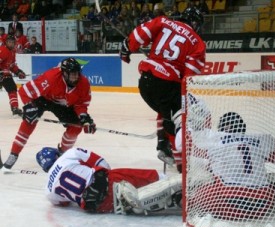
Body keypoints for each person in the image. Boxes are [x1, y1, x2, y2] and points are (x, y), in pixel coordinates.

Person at [119, 7, 206, 173]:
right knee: (177, 119)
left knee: (166, 111)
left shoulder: (164, 21)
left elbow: (139, 34)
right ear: (196, 23)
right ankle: (181, 165)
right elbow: (189, 79)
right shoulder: (198, 43)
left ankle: (162, 142)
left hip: (145, 82)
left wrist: (127, 48)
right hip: (166, 84)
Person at [1, 57, 96, 171]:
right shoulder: (51, 78)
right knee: (29, 121)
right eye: (72, 74)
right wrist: (28, 107)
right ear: (64, 73)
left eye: (77, 73)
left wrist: (84, 118)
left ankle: (62, 154)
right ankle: (13, 154)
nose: (75, 77)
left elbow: (81, 104)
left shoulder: (83, 83)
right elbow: (25, 91)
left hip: (62, 104)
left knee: (76, 127)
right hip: (43, 99)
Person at [35, 147, 182, 214]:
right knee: (148, 177)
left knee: (127, 202)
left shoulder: (48, 192)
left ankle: (130, 200)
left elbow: (65, 202)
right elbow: (101, 162)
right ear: (56, 155)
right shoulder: (69, 154)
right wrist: (112, 176)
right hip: (106, 181)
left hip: (97, 205)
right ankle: (173, 183)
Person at [0, 35, 26, 116]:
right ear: (6, 43)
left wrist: (18, 72)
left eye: (12, 42)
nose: (10, 44)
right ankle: (14, 108)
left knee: (12, 89)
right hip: (2, 74)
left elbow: (12, 65)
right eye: (9, 42)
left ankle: (14, 108)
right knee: (12, 88)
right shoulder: (3, 50)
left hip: (5, 75)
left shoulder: (13, 51)